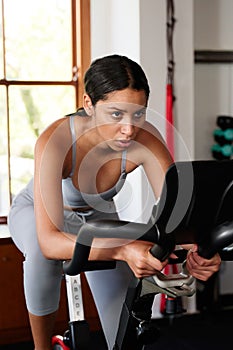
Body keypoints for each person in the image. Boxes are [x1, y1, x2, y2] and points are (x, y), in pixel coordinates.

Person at [8, 54, 221, 350]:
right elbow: (50, 241)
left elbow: (177, 217)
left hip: (99, 221)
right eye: (116, 114)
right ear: (88, 104)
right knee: (42, 255)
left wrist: (201, 249)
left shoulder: (144, 140)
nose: (129, 129)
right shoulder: (56, 141)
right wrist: (122, 248)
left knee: (124, 334)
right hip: (38, 215)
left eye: (138, 114)